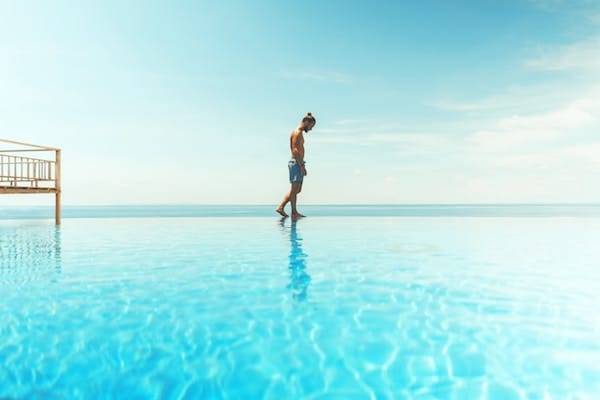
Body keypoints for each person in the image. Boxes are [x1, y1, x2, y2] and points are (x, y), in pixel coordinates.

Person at [276, 112, 316, 219]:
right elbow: (295, 150)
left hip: (298, 162)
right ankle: (294, 212)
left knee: (297, 190)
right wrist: (301, 165)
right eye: (311, 126)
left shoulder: (299, 133)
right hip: (296, 162)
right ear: (306, 122)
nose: (311, 129)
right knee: (294, 189)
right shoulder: (297, 132)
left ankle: (281, 207)